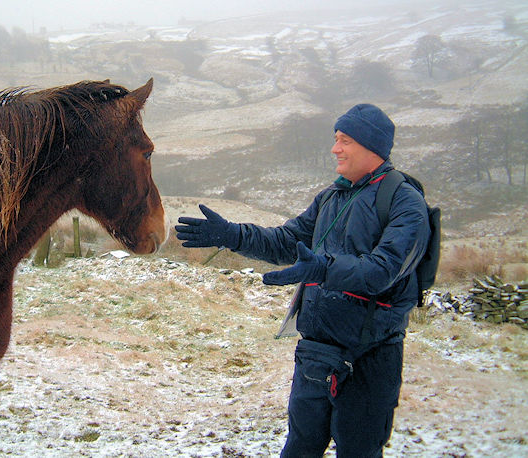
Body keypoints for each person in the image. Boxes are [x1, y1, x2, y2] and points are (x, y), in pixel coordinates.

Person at [175, 104, 430, 457]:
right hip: (316, 352)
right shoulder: (332, 197)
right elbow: (286, 241)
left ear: (372, 146)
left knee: (358, 451)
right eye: (336, 139)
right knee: (300, 447)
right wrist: (233, 235)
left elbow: (383, 269)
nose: (335, 149)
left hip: (370, 356)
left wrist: (324, 268)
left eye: (345, 141)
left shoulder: (404, 201)